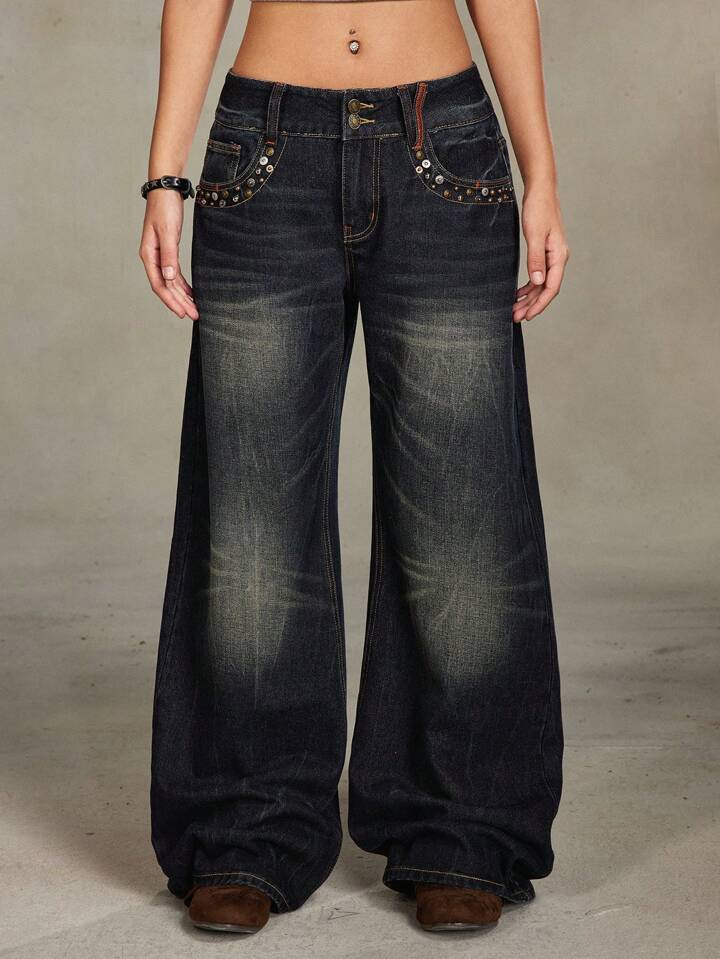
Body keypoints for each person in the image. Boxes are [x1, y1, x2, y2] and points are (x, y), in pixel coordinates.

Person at [139, 0, 569, 936]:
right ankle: (245, 828)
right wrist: (165, 174)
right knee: (251, 520)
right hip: (264, 151)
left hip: (443, 146)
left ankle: (461, 829)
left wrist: (541, 172)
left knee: (463, 515)